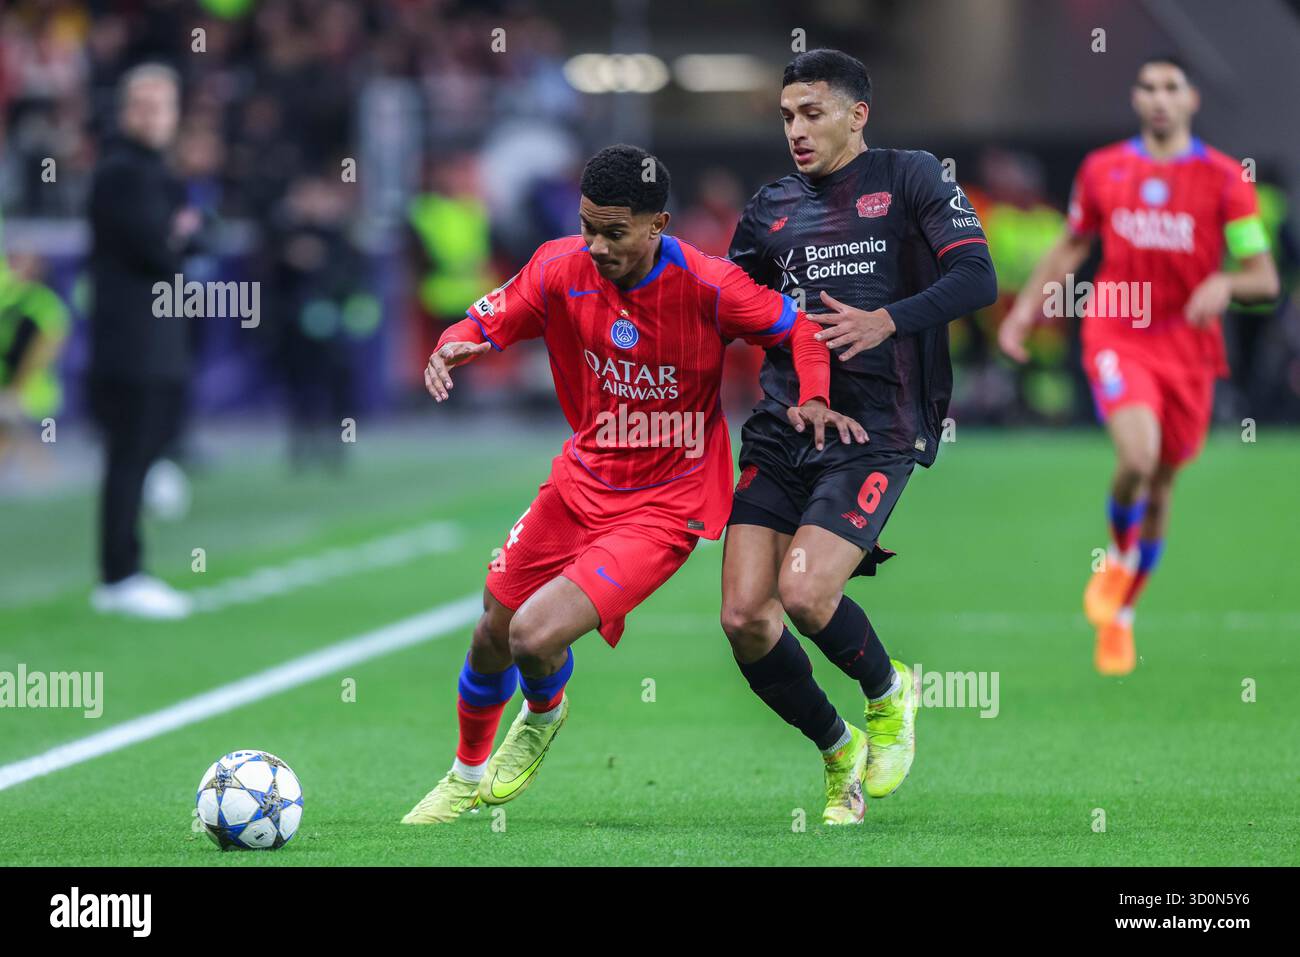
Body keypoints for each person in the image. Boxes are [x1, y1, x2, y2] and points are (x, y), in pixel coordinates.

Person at [401, 144, 860, 824]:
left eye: (613, 232)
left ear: (658, 225)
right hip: (579, 482)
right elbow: (489, 313)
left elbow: (801, 333)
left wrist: (815, 395)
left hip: (664, 506)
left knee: (533, 634)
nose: (595, 244)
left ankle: (544, 711)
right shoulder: (560, 266)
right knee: (491, 631)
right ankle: (465, 774)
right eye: (588, 226)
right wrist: (457, 339)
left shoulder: (708, 286)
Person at [721, 49, 997, 824]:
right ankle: (837, 745)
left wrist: (888, 319)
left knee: (806, 593)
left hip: (879, 427)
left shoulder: (911, 177)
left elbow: (979, 278)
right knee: (745, 616)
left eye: (812, 113)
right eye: (785, 117)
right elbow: (725, 305)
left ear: (856, 114)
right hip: (784, 425)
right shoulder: (768, 208)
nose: (796, 131)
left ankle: (888, 692)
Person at [999, 56, 1279, 675]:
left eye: (1170, 87)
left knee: (1162, 485)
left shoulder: (1225, 178)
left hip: (1189, 348)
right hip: (1117, 328)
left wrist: (1229, 285)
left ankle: (1122, 612)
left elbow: (1264, 277)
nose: (1158, 98)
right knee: (1137, 458)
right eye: (1148, 87)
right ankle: (1118, 562)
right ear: (1136, 97)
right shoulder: (1104, 169)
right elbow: (1072, 245)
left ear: (1191, 100)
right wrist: (1024, 313)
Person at [87, 63, 202, 620]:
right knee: (128, 456)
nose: (154, 117)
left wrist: (182, 234)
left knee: (147, 445)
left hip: (158, 335)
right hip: (130, 337)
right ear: (126, 110)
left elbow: (198, 232)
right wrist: (179, 234)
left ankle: (126, 567)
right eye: (144, 105)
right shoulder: (121, 172)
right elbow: (159, 246)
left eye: (164, 105)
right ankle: (119, 574)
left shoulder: (157, 171)